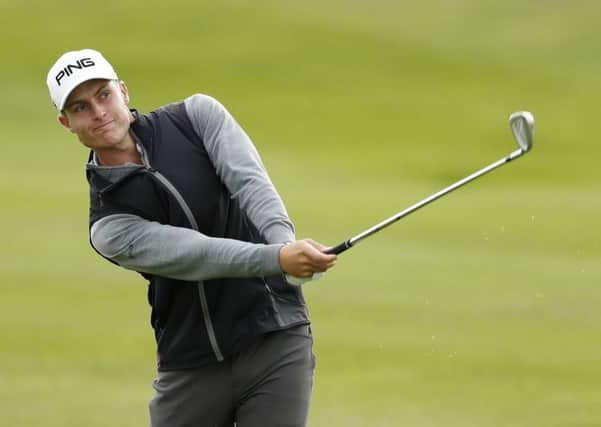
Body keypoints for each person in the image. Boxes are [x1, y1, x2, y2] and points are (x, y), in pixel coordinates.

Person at [47, 48, 337, 427]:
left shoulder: (197, 117)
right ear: (66, 123)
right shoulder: (108, 224)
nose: (99, 112)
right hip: (191, 367)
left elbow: (252, 185)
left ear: (123, 91)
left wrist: (284, 245)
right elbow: (196, 254)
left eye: (104, 95)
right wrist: (277, 259)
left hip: (274, 336)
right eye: (81, 107)